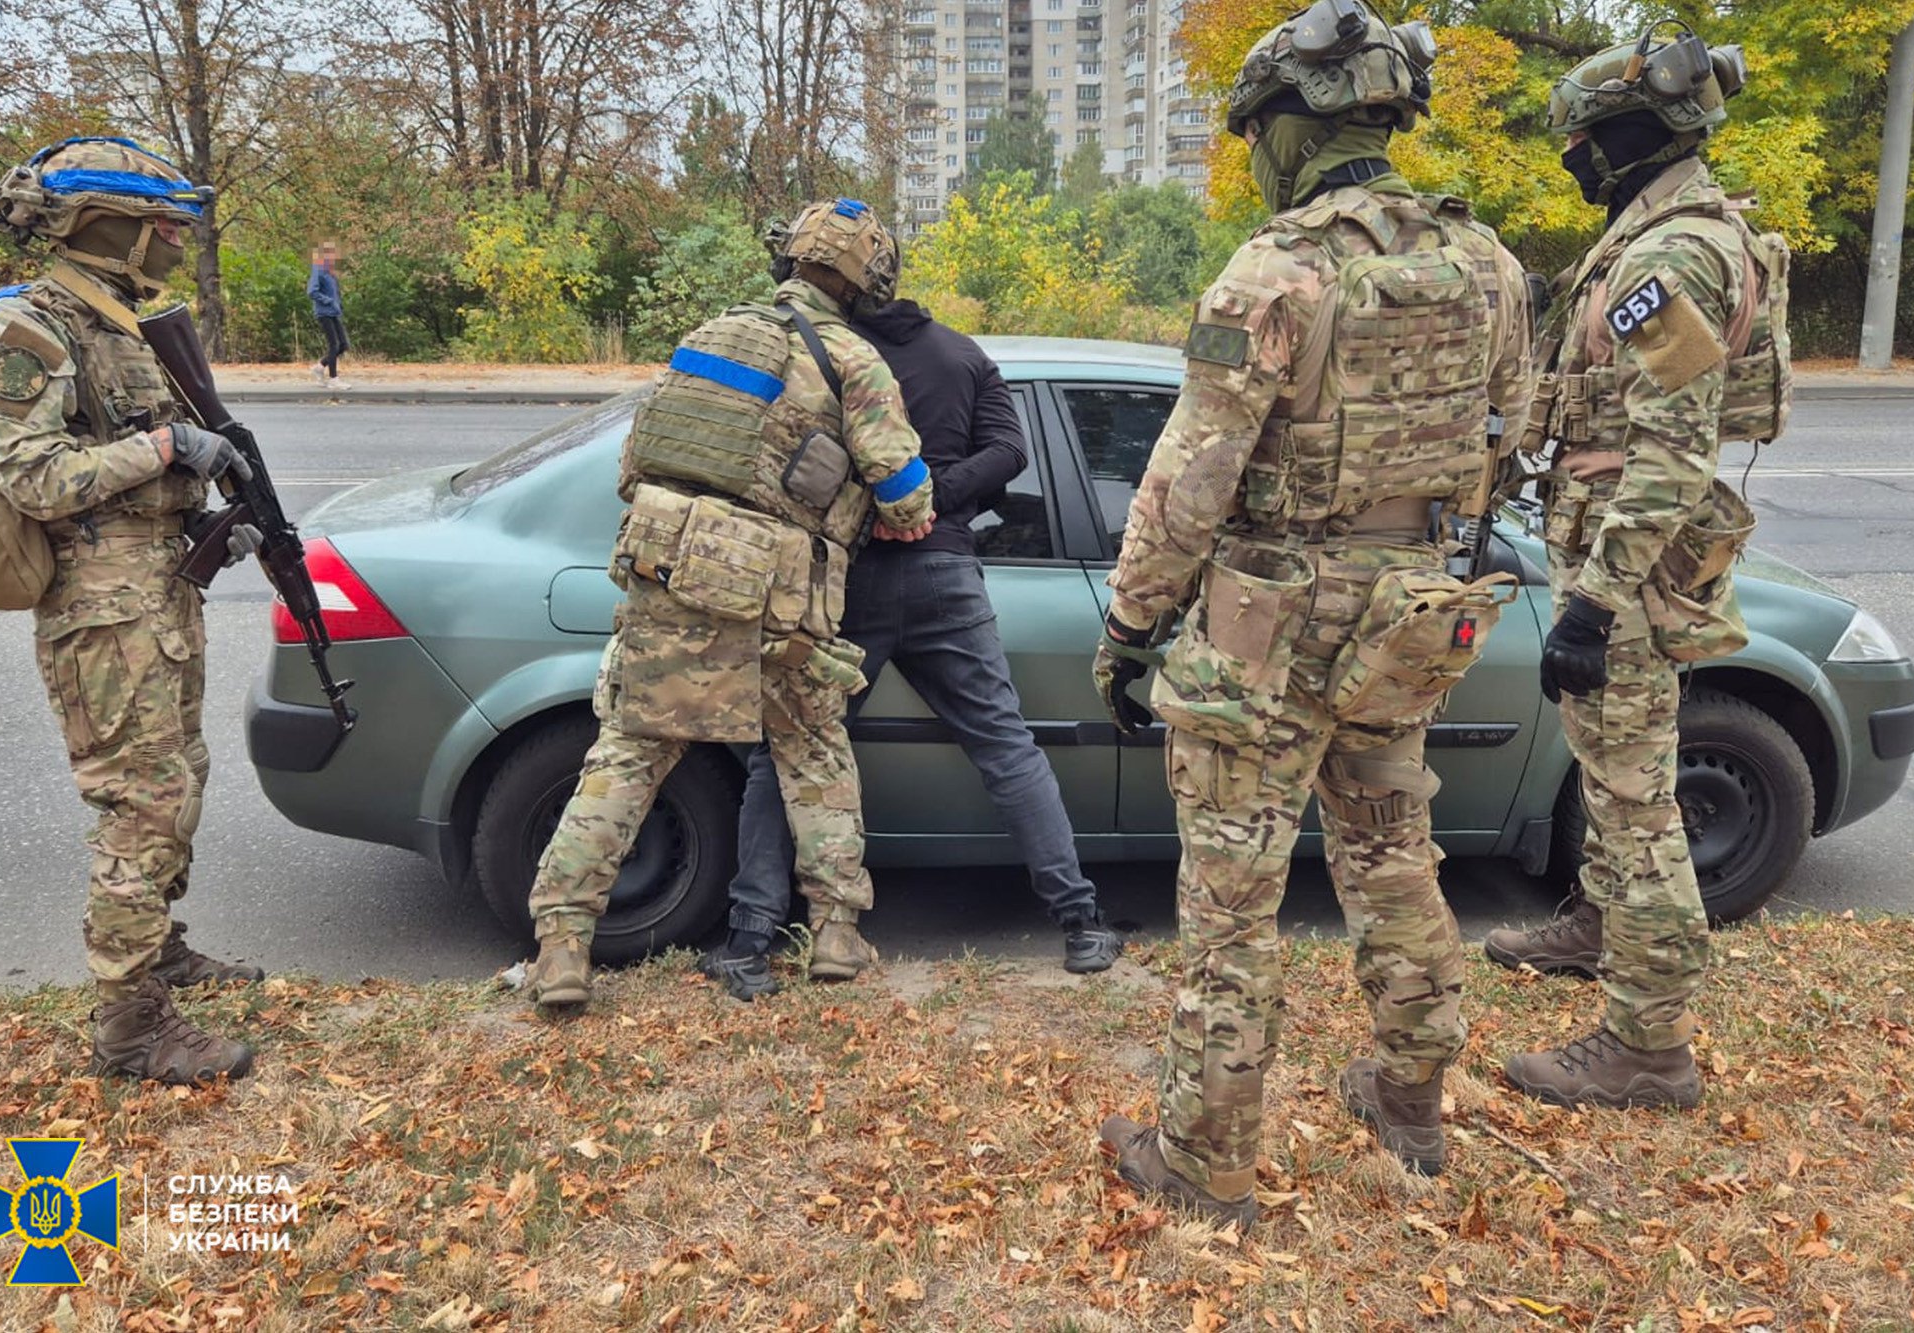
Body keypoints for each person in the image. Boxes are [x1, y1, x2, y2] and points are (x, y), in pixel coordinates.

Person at [1091, 0, 1533, 1209]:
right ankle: (1408, 1100)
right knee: (1394, 855)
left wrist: (1130, 626)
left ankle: (1203, 1164)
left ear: (1291, 126)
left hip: (1266, 618)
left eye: (1255, 131)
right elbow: (1508, 432)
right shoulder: (1486, 264)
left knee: (1231, 898)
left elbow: (1188, 482)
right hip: (1406, 610)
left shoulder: (1275, 270)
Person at [522, 199, 934, 1009]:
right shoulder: (852, 359)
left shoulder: (705, 339)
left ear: (792, 259)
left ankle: (563, 946)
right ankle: (838, 933)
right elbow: (908, 498)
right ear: (864, 279)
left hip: (669, 574)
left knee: (631, 755)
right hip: (780, 596)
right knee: (813, 755)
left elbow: (636, 465)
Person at [1484, 25, 1786, 1110]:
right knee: (1615, 772)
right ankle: (1598, 923)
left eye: (1582, 142)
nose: (1570, 161)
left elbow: (1668, 448)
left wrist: (1595, 605)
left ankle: (1645, 1047)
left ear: (1629, 136)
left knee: (1632, 799)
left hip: (1633, 562)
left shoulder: (1669, 256)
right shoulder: (1654, 235)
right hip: (1624, 545)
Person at [705, 280, 1124, 1001]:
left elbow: (780, 461)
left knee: (789, 754)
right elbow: (1009, 451)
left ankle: (749, 938)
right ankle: (1081, 921)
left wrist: (886, 510)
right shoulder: (962, 356)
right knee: (1005, 746)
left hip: (848, 583)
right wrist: (935, 501)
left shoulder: (829, 357)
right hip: (946, 579)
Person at [0, 136, 266, 1084]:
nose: (177, 239)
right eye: (163, 224)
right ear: (113, 228)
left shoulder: (117, 322)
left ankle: (159, 951)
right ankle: (131, 1026)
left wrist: (213, 507)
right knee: (142, 804)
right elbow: (32, 476)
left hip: (156, 589)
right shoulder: (28, 328)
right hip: (101, 605)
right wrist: (171, 448)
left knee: (181, 779)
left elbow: (137, 453)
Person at [307, 242, 348, 388]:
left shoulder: (331, 271)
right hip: (324, 312)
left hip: (334, 312)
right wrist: (329, 301)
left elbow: (336, 292)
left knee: (343, 345)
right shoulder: (318, 268)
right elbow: (312, 291)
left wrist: (338, 305)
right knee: (334, 344)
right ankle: (333, 379)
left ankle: (319, 367)